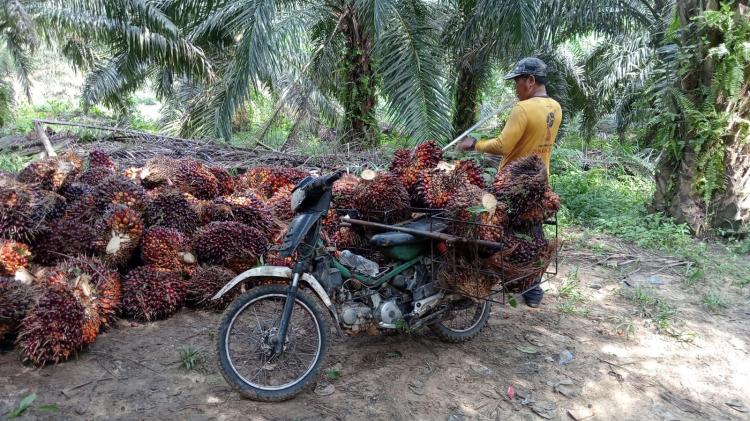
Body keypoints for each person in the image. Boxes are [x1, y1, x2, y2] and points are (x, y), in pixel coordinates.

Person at [457, 57, 562, 308]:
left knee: (491, 233)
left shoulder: (523, 109)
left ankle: (477, 286)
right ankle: (533, 290)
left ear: (531, 80)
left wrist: (475, 145)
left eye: (517, 82)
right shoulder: (555, 107)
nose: (515, 88)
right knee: (533, 233)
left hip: (512, 185)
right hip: (539, 184)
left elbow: (503, 145)